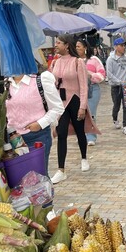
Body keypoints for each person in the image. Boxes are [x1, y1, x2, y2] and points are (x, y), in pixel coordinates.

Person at [5, 72, 64, 174]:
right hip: (12, 139)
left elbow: (57, 107)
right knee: (17, 179)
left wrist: (40, 124)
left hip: (37, 136)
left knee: (38, 177)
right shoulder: (5, 83)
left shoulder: (40, 80)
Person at [50, 34, 89, 184]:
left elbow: (84, 86)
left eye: (58, 42)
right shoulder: (55, 63)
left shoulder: (78, 62)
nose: (56, 45)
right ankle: (61, 170)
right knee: (61, 133)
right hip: (60, 102)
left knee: (80, 131)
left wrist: (83, 106)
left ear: (66, 45)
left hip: (75, 100)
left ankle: (84, 157)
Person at [76, 38, 105, 147]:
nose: (77, 48)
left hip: (92, 89)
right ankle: (81, 135)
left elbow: (102, 75)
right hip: (78, 91)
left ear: (85, 48)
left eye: (79, 46)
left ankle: (91, 137)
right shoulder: (74, 60)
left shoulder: (94, 60)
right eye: (76, 46)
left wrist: (90, 75)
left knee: (91, 114)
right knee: (79, 114)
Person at [106, 37, 126, 136]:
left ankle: (125, 125)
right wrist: (119, 82)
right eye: (121, 45)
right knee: (116, 105)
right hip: (116, 87)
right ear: (116, 47)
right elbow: (109, 75)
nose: (123, 47)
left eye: (124, 45)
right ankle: (115, 118)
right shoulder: (110, 59)